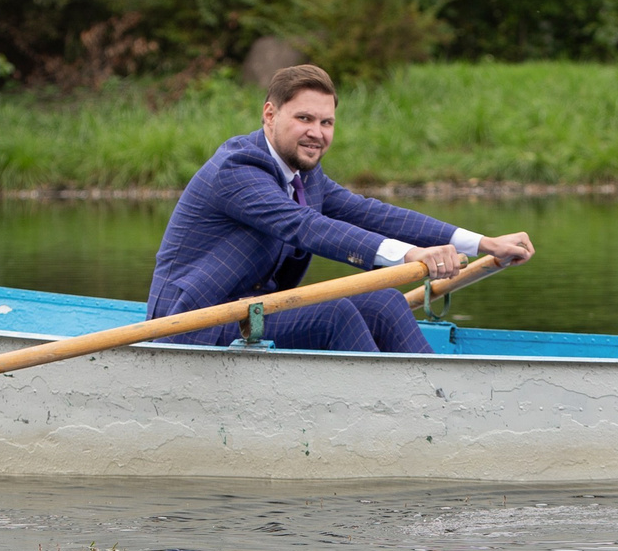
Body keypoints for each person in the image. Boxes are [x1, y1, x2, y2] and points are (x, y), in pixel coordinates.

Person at [148, 64, 536, 352]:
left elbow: (371, 214)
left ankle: (437, 402)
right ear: (270, 115)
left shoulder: (304, 174)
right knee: (337, 315)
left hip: (252, 313)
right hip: (189, 325)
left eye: (326, 122)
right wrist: (411, 256)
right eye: (304, 118)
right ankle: (393, 422)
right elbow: (306, 227)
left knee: (383, 301)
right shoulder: (238, 168)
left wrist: (484, 243)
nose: (316, 132)